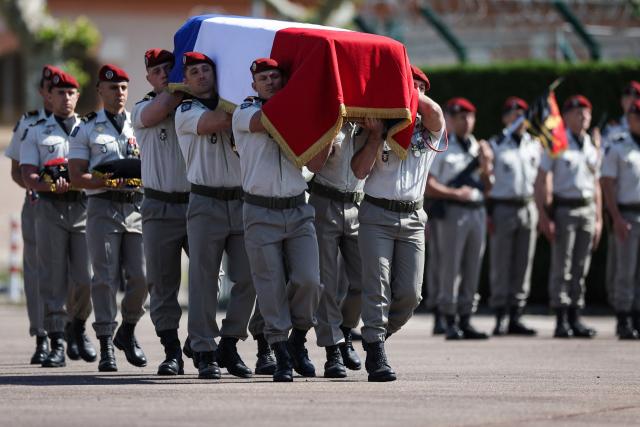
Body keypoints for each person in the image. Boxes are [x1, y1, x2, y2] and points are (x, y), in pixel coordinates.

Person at [232, 58, 327, 382]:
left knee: (309, 280)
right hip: (260, 211)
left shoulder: (297, 113)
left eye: (276, 77)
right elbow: (266, 120)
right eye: (264, 78)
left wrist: (328, 123)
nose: (270, 82)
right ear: (253, 84)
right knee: (270, 286)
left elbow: (316, 161)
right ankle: (280, 351)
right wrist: (302, 97)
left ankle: (299, 337)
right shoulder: (245, 112)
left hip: (298, 210)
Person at [351, 66, 444, 381]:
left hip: (413, 217)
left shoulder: (428, 127)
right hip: (377, 214)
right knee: (376, 286)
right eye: (407, 84)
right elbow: (359, 171)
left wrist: (410, 92)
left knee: (409, 295)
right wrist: (376, 134)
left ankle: (374, 337)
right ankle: (376, 351)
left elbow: (435, 114)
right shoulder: (376, 123)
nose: (412, 90)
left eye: (418, 86)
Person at [174, 52, 256, 380]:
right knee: (204, 279)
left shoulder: (237, 106)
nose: (201, 75)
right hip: (205, 202)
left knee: (249, 275)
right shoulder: (186, 110)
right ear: (187, 80)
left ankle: (231, 341)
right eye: (194, 71)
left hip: (241, 200)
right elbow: (218, 122)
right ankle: (204, 348)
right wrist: (240, 101)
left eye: (206, 69)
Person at [69, 64, 148, 371]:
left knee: (143, 276)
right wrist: (102, 181)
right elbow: (76, 175)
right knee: (104, 278)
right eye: (113, 88)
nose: (119, 93)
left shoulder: (139, 125)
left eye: (124, 88)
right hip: (102, 207)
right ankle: (106, 343)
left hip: (137, 207)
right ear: (100, 91)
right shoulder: (87, 127)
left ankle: (127, 329)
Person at [19, 70, 94, 367]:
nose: (65, 98)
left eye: (70, 92)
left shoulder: (88, 129)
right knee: (51, 277)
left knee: (85, 277)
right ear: (50, 96)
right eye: (60, 93)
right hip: (49, 208)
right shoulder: (35, 129)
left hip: (83, 209)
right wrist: (50, 184)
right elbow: (28, 175)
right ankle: (56, 340)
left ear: (78, 96)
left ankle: (77, 324)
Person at [132, 49, 190, 375]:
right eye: (158, 70)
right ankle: (172, 351)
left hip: (196, 202)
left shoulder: (194, 108)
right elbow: (161, 108)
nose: (164, 73)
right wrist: (179, 89)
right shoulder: (142, 109)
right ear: (148, 77)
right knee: (162, 281)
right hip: (158, 204)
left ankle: (200, 340)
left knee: (212, 277)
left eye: (170, 68)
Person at [535, 95, 601, 338]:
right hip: (564, 209)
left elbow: (596, 184)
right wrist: (543, 215)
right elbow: (542, 179)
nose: (582, 116)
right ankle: (562, 318)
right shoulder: (557, 142)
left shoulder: (591, 146)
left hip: (587, 209)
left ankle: (576, 315)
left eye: (586, 112)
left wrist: (599, 218)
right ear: (565, 117)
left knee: (581, 266)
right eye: (576, 112)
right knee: (562, 266)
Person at [426, 97, 491, 341]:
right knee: (450, 266)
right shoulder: (442, 146)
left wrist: (487, 164)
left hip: (477, 210)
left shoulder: (478, 148)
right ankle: (448, 318)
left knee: (473, 265)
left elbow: (488, 186)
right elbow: (429, 184)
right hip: (452, 210)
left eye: (469, 116)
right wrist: (455, 193)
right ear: (450, 120)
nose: (466, 121)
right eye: (460, 117)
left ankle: (466, 317)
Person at [308, 120, 365, 378]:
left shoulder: (370, 121)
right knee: (326, 282)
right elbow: (314, 165)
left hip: (358, 204)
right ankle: (333, 349)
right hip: (325, 199)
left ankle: (345, 328)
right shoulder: (329, 118)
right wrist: (331, 129)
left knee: (365, 280)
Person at [486, 97, 540, 337]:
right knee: (501, 262)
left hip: (528, 206)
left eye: (522, 114)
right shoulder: (496, 144)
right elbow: (486, 181)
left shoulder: (535, 145)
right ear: (505, 118)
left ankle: (517, 314)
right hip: (503, 207)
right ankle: (499, 315)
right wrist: (488, 211)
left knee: (523, 263)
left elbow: (539, 181)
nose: (518, 119)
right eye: (513, 114)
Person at [601, 98, 640, 340]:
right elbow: (607, 183)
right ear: (632, 118)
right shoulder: (618, 146)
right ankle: (623, 318)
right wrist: (614, 216)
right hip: (626, 213)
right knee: (625, 271)